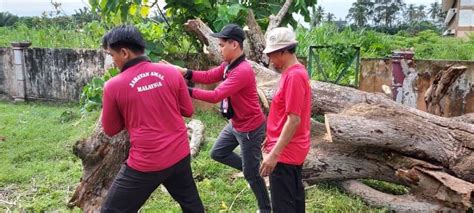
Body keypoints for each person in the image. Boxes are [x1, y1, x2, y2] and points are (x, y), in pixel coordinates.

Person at [163, 23, 271, 212]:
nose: (219, 49)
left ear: (234, 45)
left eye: (222, 45)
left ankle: (265, 207)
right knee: (218, 153)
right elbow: (207, 76)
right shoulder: (228, 66)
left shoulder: (242, 71)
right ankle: (251, 169)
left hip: (249, 129)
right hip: (235, 123)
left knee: (252, 174)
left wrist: (182, 89)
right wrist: (184, 72)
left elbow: (215, 95)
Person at [100, 25, 204, 213]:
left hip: (146, 163)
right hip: (179, 154)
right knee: (192, 205)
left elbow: (110, 129)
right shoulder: (172, 72)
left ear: (124, 53)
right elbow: (188, 110)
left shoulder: (113, 86)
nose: (112, 60)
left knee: (111, 210)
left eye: (112, 55)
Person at [259, 27, 311, 213]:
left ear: (284, 51)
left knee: (283, 206)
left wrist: (274, 154)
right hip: (289, 148)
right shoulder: (290, 73)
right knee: (294, 199)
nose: (270, 59)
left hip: (286, 153)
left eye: (272, 54)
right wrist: (271, 134)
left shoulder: (295, 76)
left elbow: (294, 120)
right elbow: (283, 114)